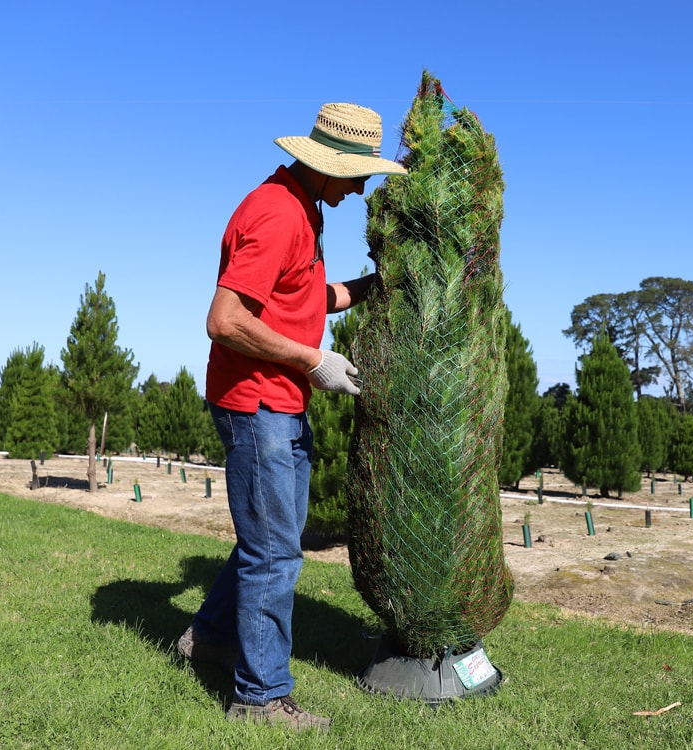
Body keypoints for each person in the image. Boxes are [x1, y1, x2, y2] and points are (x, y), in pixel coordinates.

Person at [176, 102, 406, 732]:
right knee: (275, 552)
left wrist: (375, 285)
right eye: (359, 175)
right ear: (329, 166)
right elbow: (224, 320)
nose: (363, 188)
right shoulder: (278, 215)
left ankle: (213, 637)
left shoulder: (302, 208)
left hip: (275, 400)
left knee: (270, 538)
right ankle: (260, 699)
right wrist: (312, 360)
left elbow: (305, 297)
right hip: (257, 403)